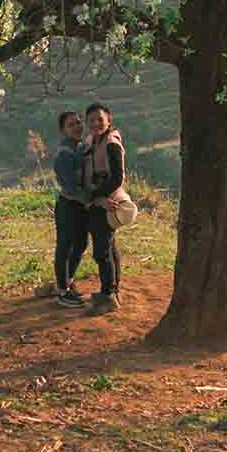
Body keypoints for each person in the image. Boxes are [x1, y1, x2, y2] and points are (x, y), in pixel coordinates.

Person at [36, 109, 90, 307]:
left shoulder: (81, 147)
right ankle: (62, 291)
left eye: (78, 123)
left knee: (81, 244)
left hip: (80, 206)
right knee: (65, 247)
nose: (77, 127)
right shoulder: (64, 154)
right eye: (71, 125)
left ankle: (67, 282)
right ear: (63, 130)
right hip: (69, 205)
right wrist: (92, 199)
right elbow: (71, 187)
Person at [81, 102, 126, 315]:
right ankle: (113, 290)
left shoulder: (111, 143)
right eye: (91, 120)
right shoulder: (93, 140)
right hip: (99, 199)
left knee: (102, 250)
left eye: (100, 119)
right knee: (109, 245)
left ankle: (108, 295)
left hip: (105, 201)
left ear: (109, 119)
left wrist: (96, 196)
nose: (96, 123)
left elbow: (118, 177)